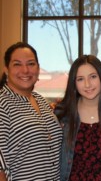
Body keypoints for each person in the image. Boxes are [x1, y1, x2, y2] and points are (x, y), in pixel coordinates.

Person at [55, 55, 101, 181]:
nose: (87, 84)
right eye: (80, 79)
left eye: (93, 77)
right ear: (74, 83)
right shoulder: (63, 116)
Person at [0, 42, 62, 181]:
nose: (25, 70)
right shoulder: (2, 104)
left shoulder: (41, 101)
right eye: (17, 64)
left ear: (38, 68)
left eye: (31, 64)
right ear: (6, 69)